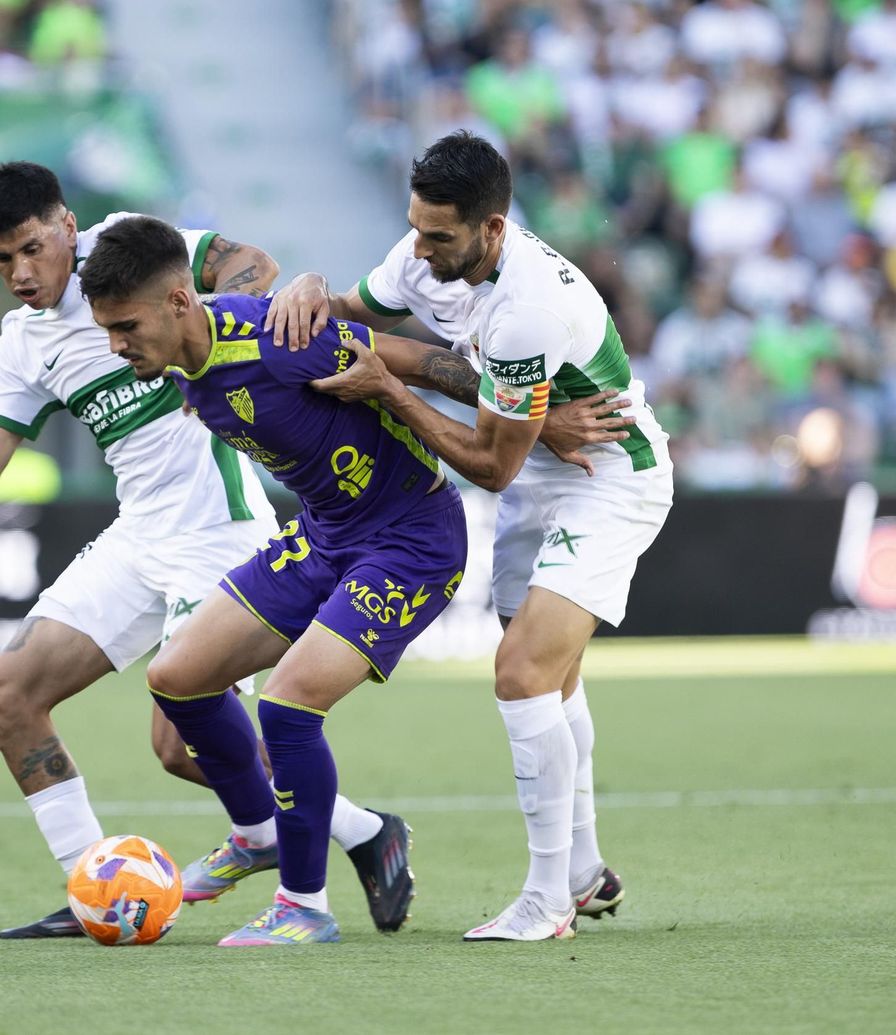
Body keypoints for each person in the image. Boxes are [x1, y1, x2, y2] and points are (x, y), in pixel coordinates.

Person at [0, 161, 418, 938]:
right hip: (139, 536)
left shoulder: (130, 253)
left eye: (32, 249)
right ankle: (102, 886)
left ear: (67, 226)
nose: (21, 274)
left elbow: (251, 265)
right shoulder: (24, 343)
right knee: (8, 695)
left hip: (221, 533)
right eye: (1, 260)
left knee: (176, 737)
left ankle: (311, 837)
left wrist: (248, 346)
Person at [79, 215, 636, 946]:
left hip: (409, 541)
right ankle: (260, 832)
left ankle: (303, 908)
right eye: (107, 332)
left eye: (126, 327)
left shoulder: (273, 339)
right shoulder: (183, 358)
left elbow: (412, 357)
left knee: (284, 709)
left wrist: (536, 417)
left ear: (180, 302)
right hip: (324, 535)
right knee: (178, 676)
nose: (116, 348)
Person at [266, 131, 673, 942]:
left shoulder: (529, 308)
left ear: (493, 229)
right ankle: (584, 870)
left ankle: (547, 898)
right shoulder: (429, 250)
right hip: (540, 473)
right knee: (552, 679)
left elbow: (488, 464)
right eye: (415, 228)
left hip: (606, 478)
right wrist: (312, 283)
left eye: (438, 236)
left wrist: (385, 388)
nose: (419, 250)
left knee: (522, 672)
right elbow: (351, 308)